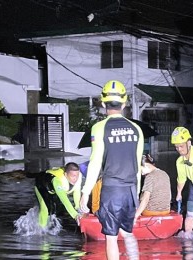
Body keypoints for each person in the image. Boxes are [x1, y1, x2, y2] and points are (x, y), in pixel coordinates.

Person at [80, 80, 144, 260]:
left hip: (112, 190)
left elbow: (95, 163)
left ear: (102, 103)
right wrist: (136, 195)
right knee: (127, 233)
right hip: (131, 189)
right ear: (124, 104)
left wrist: (85, 193)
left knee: (111, 237)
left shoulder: (99, 128)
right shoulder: (136, 129)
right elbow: (137, 165)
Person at [34, 162, 82, 228]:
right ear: (65, 174)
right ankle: (40, 231)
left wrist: (78, 208)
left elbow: (77, 192)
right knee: (45, 209)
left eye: (77, 175)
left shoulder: (78, 177)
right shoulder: (57, 181)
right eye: (73, 176)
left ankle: (50, 228)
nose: (75, 179)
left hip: (53, 189)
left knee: (54, 210)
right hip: (42, 184)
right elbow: (63, 198)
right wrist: (75, 215)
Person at [134, 154, 171, 221]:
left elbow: (145, 199)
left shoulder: (149, 177)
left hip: (150, 212)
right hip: (166, 210)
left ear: (145, 165)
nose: (141, 173)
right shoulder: (165, 174)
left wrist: (136, 216)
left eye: (140, 169)